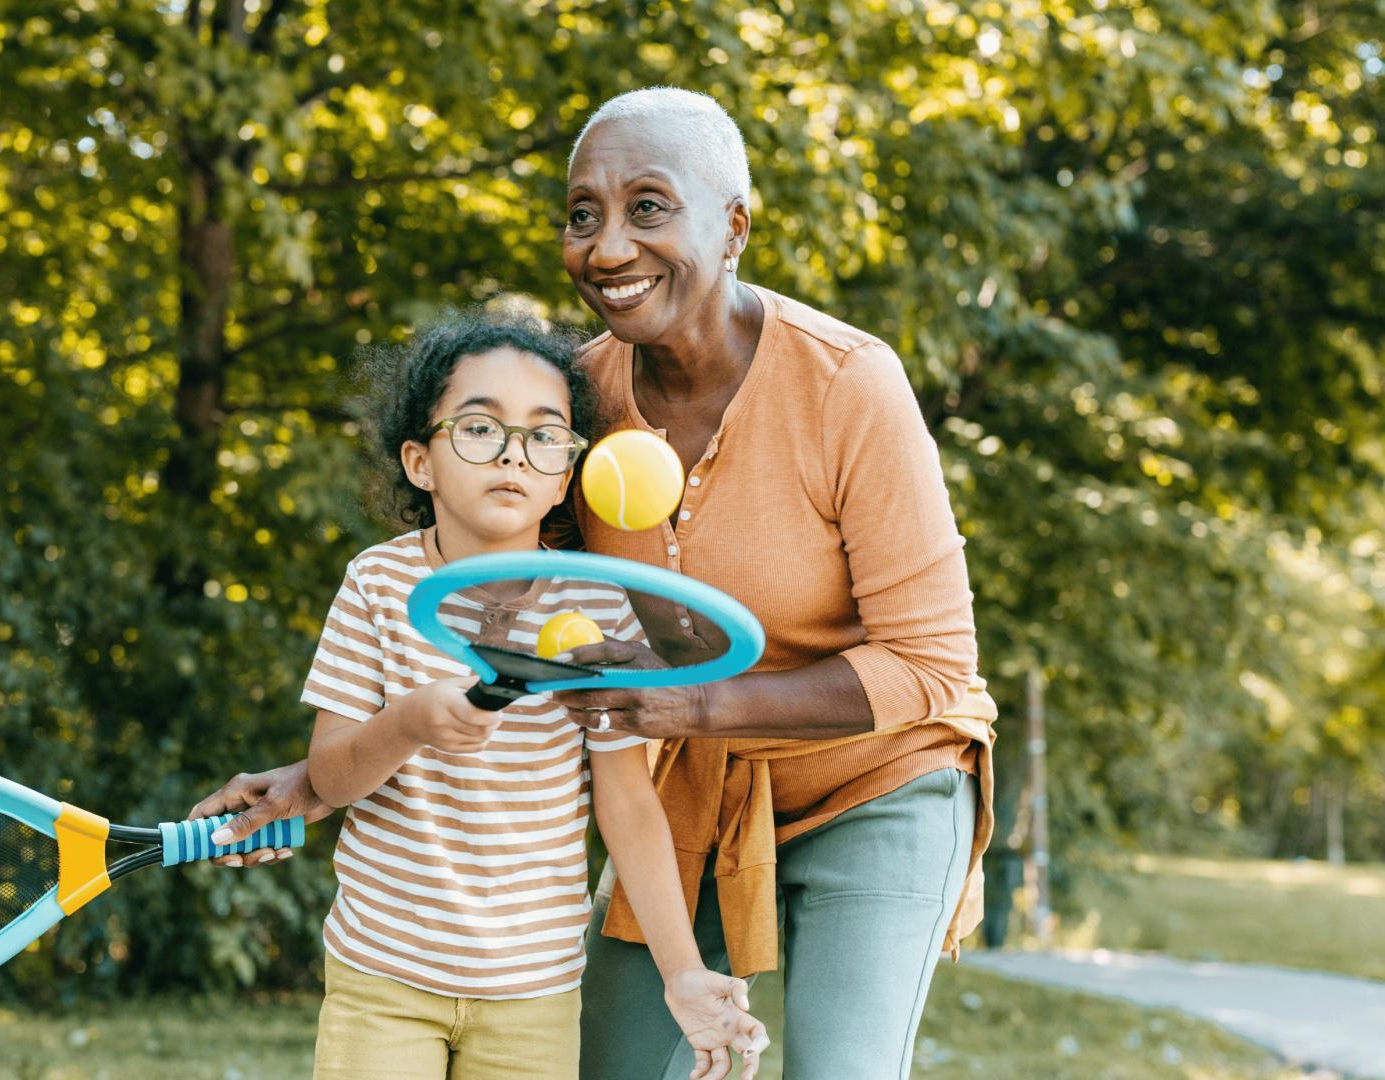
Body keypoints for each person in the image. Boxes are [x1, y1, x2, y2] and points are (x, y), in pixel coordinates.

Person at [196, 88, 997, 1079]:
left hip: (874, 781)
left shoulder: (848, 384)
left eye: (647, 207)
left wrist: (696, 702)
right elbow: (504, 623)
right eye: (584, 215)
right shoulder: (568, 406)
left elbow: (931, 665)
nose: (607, 246)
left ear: (734, 224)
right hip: (690, 792)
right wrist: (315, 785)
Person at [282, 310, 764, 1080]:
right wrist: (407, 723)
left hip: (534, 993)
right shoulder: (376, 584)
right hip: (384, 975)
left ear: (566, 475)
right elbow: (330, 780)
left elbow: (628, 804)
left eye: (544, 436)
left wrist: (681, 973)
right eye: (479, 429)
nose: (513, 454)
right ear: (419, 461)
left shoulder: (599, 605)